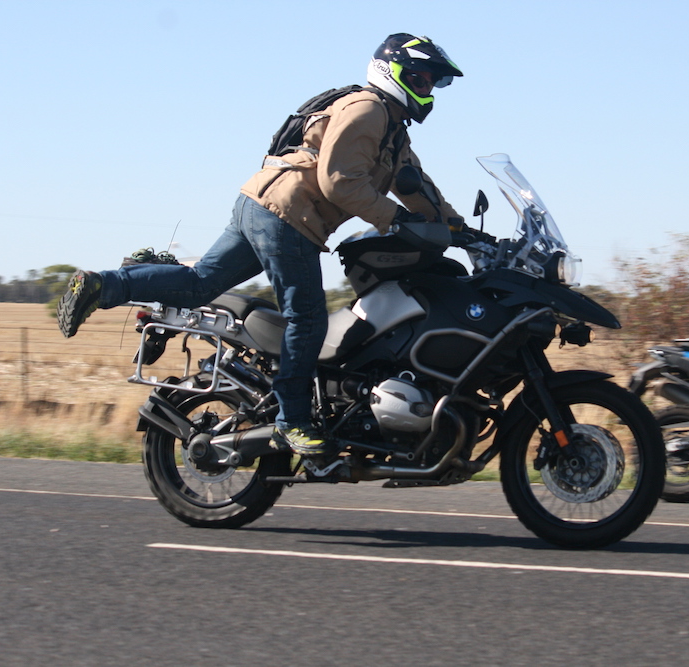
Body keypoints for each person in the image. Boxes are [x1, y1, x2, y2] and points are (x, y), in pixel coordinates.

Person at [56, 33, 464, 460]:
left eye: (433, 82)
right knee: (307, 320)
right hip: (289, 216)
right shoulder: (367, 109)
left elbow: (417, 186)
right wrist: (394, 219)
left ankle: (104, 284)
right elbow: (339, 181)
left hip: (263, 205)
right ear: (391, 72)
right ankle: (292, 422)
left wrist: (458, 228)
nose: (427, 89)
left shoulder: (392, 129)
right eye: (420, 78)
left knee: (199, 284)